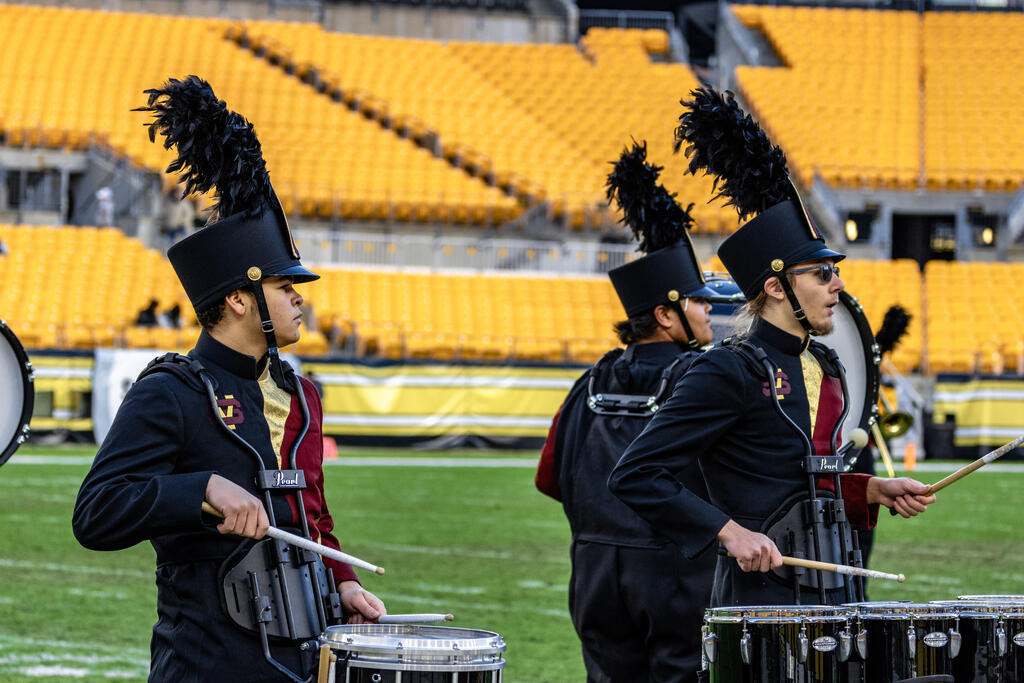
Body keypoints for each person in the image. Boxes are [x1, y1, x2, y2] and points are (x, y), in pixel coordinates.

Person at [72, 75, 385, 682]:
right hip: (206, 663)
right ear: (240, 300)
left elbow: (311, 517)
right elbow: (96, 512)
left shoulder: (301, 395)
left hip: (301, 659)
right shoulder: (170, 391)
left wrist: (342, 581)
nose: (300, 299)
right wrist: (202, 489)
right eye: (285, 287)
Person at [609, 88, 935, 608]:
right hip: (759, 601)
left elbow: (802, 479)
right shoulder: (726, 371)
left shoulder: (826, 365)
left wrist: (870, 489)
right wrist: (727, 531)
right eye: (822, 273)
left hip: (836, 586)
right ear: (777, 287)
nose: (837, 286)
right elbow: (636, 474)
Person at [536, 141, 718, 683]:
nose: (710, 308)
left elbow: (549, 478)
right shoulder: (704, 379)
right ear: (665, 314)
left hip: (594, 571)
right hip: (678, 570)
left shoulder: (589, 380)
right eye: (697, 300)